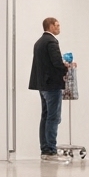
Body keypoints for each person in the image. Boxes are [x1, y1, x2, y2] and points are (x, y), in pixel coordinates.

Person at [28, 17, 72, 162]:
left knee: (45, 117)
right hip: (52, 85)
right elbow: (56, 63)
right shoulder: (52, 42)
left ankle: (45, 149)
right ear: (50, 26)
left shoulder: (39, 42)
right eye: (57, 25)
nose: (59, 28)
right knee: (53, 118)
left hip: (42, 85)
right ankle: (51, 150)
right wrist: (67, 67)